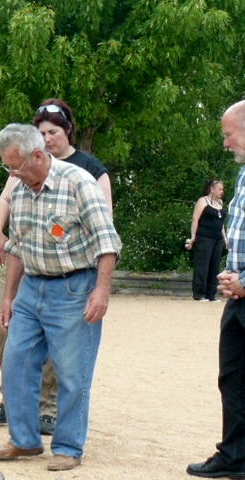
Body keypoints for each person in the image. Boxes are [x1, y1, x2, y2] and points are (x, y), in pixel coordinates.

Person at [0, 124, 121, 471]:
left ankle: (68, 447)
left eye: (16, 166)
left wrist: (101, 290)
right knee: (16, 362)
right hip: (32, 287)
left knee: (72, 373)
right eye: (8, 168)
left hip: (75, 288)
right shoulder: (19, 190)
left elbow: (108, 241)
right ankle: (25, 440)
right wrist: (9, 297)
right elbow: (17, 247)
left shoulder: (78, 183)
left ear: (38, 155)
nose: (13, 174)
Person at [187, 100, 245, 478]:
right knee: (234, 378)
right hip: (238, 299)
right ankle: (236, 456)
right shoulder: (242, 176)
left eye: (229, 133)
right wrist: (231, 274)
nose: (225, 143)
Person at [188, 179, 227, 301]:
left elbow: (221, 224)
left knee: (214, 266)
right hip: (204, 238)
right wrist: (193, 237)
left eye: (222, 189)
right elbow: (195, 220)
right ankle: (199, 294)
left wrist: (225, 239)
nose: (222, 191)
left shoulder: (220, 202)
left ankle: (211, 294)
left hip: (217, 239)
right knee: (202, 266)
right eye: (220, 189)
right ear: (212, 189)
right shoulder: (202, 201)